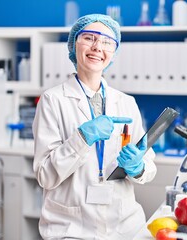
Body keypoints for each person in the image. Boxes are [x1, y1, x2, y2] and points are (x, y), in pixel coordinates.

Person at [32, 14, 157, 239]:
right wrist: (81, 138)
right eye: (89, 38)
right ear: (73, 45)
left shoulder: (126, 103)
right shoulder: (53, 100)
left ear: (114, 53)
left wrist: (137, 167)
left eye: (107, 42)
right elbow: (45, 176)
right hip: (71, 227)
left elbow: (148, 166)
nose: (97, 46)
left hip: (126, 226)